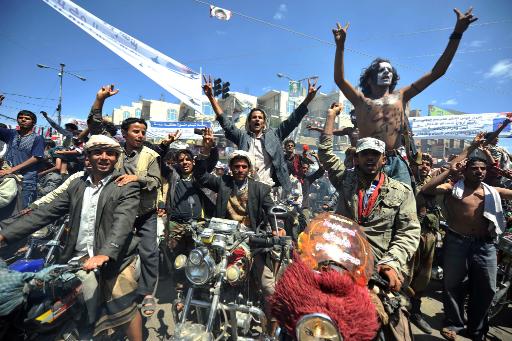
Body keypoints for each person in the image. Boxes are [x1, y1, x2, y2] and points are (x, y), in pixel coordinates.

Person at [0, 134, 143, 340]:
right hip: (77, 258)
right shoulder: (77, 185)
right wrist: (5, 235)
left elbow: (123, 222)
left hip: (117, 257)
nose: (104, 158)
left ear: (116, 158)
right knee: (46, 300)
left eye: (110, 154)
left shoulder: (125, 185)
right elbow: (44, 213)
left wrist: (105, 253)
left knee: (122, 302)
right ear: (88, 156)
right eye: (98, 153)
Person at [331, 8, 477, 186]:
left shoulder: (401, 96)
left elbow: (437, 72)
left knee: (406, 204)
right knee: (361, 205)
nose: (387, 72)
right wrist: (340, 48)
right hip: (368, 161)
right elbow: (339, 79)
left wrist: (457, 33)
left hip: (395, 161)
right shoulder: (361, 101)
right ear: (369, 79)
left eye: (390, 71)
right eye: (381, 70)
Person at [318, 105, 420, 339]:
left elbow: (409, 232)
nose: (370, 158)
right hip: (341, 261)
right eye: (365, 154)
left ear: (384, 159)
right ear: (356, 158)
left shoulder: (402, 192)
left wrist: (392, 263)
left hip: (380, 267)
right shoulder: (346, 180)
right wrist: (330, 116)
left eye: (375, 155)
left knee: (396, 326)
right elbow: (324, 152)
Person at [421, 153, 512, 341]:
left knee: (486, 287)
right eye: (474, 168)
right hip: (457, 242)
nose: (479, 171)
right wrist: (449, 171)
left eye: (482, 168)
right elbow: (427, 189)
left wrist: (506, 173)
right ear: (465, 170)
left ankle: (477, 329)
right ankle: (454, 323)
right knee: (453, 285)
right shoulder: (453, 188)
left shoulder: (492, 191)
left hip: (485, 246)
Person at [194, 130, 277, 331]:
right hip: (224, 240)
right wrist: (205, 149)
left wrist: (277, 229)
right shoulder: (223, 183)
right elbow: (201, 176)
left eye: (243, 166)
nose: (240, 169)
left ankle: (272, 325)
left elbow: (272, 210)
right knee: (204, 275)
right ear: (230, 168)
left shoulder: (260, 188)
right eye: (236, 166)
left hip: (252, 241)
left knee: (267, 284)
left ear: (249, 168)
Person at [203, 75, 320, 194]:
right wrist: (211, 97)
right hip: (245, 187)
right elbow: (226, 123)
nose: (257, 120)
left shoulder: (274, 135)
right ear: (249, 121)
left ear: (264, 122)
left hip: (269, 187)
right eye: (254, 117)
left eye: (260, 118)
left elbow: (292, 120)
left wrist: (308, 99)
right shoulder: (243, 137)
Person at [0, 110, 45, 207]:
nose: (23, 120)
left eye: (27, 118)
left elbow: (36, 158)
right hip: (8, 177)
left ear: (33, 123)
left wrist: (12, 170)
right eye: (20, 117)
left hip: (26, 180)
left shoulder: (37, 138)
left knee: (23, 210)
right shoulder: (11, 134)